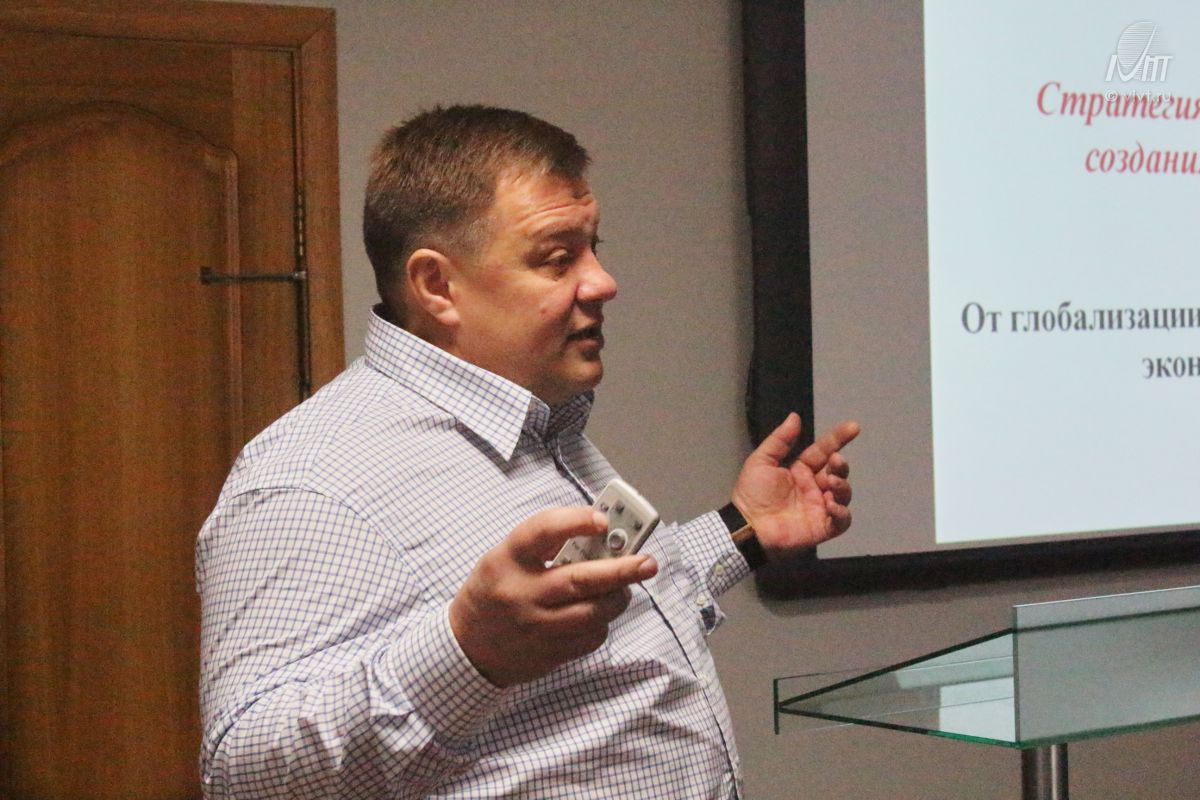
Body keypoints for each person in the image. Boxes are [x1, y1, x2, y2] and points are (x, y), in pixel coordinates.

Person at [196, 104, 858, 799]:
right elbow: (243, 776)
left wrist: (743, 529)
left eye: (594, 247)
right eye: (558, 258)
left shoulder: (541, 429)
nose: (602, 282)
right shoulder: (310, 479)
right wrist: (466, 652)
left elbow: (608, 623)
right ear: (437, 286)